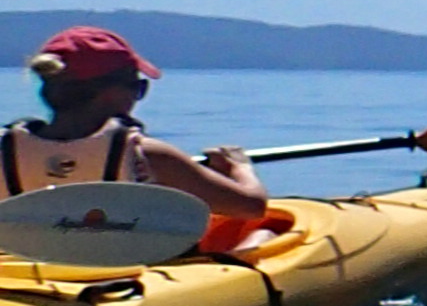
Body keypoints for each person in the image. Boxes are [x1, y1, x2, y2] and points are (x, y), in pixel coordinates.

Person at [5, 27, 271, 234]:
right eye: (138, 88)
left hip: (26, 274)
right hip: (119, 277)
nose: (137, 97)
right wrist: (240, 167)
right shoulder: (147, 155)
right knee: (268, 230)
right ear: (108, 94)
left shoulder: (5, 148)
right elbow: (252, 207)